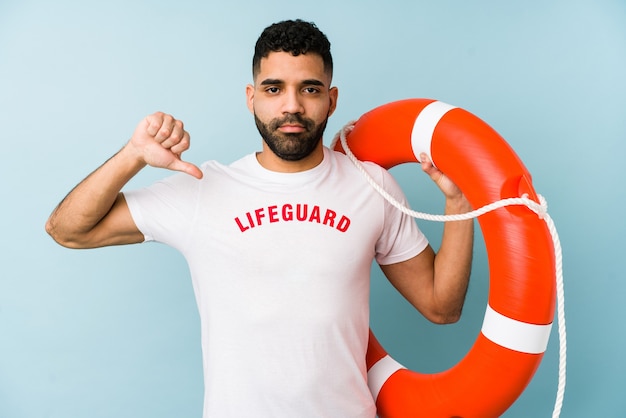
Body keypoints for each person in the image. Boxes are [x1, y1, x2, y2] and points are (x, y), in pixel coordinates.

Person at [46, 19, 473, 418]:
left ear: (331, 99)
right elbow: (67, 229)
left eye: (309, 89)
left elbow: (441, 306)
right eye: (273, 89)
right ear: (252, 98)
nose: (292, 106)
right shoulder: (204, 189)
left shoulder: (371, 187)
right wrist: (132, 156)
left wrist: (458, 205)